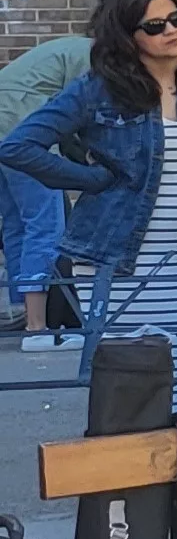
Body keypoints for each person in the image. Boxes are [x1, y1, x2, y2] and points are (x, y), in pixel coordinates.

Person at [2, 0, 177, 426]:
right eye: (155, 24)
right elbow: (17, 145)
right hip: (120, 260)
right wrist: (91, 179)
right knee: (136, 391)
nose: (172, 30)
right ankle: (140, 495)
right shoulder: (97, 90)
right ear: (128, 36)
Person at [0, 32, 91, 351]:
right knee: (46, 224)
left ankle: (27, 315)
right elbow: (81, 119)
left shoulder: (70, 48)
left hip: (5, 126)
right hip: (22, 132)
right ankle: (38, 329)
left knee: (17, 225)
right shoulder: (94, 57)